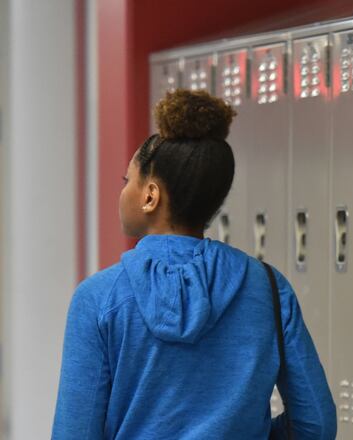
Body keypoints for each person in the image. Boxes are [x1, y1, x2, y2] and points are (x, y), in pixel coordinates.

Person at [52, 90, 336, 439]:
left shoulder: (98, 299)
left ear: (150, 196)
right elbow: (317, 423)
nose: (122, 191)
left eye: (128, 181)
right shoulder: (269, 289)